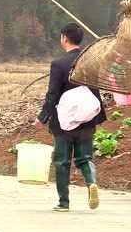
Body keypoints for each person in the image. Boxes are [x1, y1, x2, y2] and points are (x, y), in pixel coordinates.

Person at [34, 23, 107, 212]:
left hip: (64, 121)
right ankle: (91, 182)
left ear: (64, 38)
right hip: (88, 119)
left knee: (62, 162)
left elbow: (53, 95)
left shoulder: (59, 64)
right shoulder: (92, 62)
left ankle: (64, 203)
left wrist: (42, 117)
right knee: (85, 158)